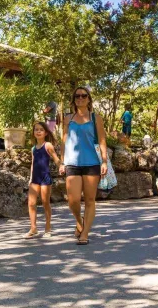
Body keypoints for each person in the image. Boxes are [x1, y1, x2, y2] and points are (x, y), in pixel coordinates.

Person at [59, 86, 108, 245]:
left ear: (89, 99)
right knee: (72, 201)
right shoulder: (68, 118)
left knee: (89, 200)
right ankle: (79, 222)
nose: (80, 98)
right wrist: (61, 161)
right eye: (77, 96)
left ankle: (85, 233)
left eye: (83, 96)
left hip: (92, 163)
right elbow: (63, 141)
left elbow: (102, 141)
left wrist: (105, 161)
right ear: (73, 100)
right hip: (72, 163)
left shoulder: (96, 118)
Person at [25, 121, 61, 239]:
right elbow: (33, 164)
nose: (38, 131)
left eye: (41, 129)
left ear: (45, 132)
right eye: (36, 129)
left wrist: (61, 166)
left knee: (46, 203)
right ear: (33, 132)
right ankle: (33, 228)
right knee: (31, 203)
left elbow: (56, 158)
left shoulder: (48, 145)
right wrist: (30, 178)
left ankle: (48, 228)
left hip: (45, 178)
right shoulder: (33, 148)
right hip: (35, 179)